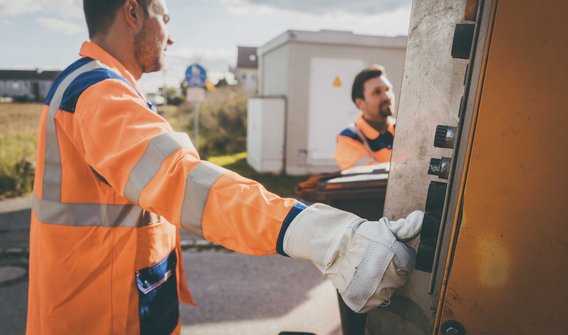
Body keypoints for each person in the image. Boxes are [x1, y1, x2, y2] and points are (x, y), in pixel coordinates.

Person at [26, 1, 423, 334]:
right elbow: (186, 182)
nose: (171, 34)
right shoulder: (98, 94)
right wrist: (326, 238)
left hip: (111, 307)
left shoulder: (96, 88)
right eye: (164, 18)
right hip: (99, 319)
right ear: (132, 12)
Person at [336, 65, 396, 170]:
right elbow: (370, 179)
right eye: (377, 92)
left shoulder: (405, 129)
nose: (387, 96)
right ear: (360, 103)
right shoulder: (349, 137)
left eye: (388, 89)